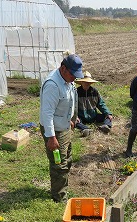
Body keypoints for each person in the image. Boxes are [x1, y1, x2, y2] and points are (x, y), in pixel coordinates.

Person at [39, 54, 84, 203]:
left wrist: (71, 119)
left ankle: (61, 187)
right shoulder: (53, 85)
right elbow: (47, 114)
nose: (74, 79)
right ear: (63, 68)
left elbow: (71, 99)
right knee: (59, 163)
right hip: (55, 130)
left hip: (64, 126)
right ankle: (59, 196)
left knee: (67, 157)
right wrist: (51, 137)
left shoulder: (67, 79)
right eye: (73, 74)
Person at [74, 71, 113, 136]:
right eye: (85, 82)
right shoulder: (76, 92)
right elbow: (72, 106)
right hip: (81, 117)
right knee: (76, 121)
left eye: (88, 82)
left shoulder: (94, 92)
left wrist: (107, 113)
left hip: (93, 116)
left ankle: (105, 126)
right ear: (81, 82)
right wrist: (75, 116)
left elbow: (101, 104)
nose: (87, 84)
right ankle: (85, 129)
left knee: (108, 117)